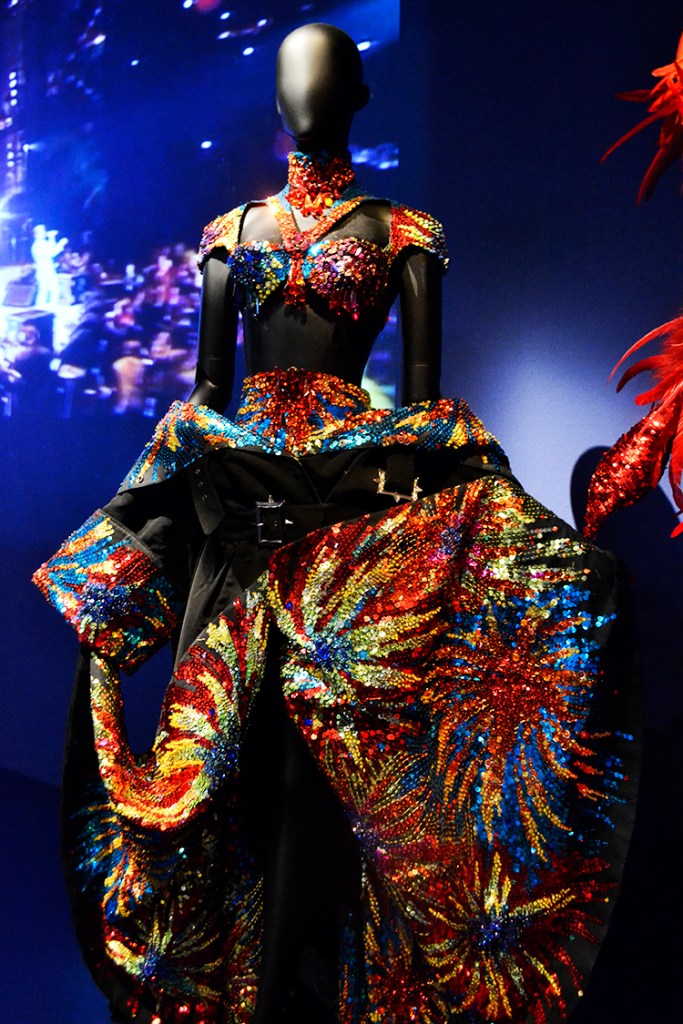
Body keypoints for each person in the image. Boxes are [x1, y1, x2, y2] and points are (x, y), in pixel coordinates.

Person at [34, 23, 639, 1024]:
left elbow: (422, 407)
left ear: (356, 94)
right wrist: (178, 511)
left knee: (327, 772)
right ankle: (233, 980)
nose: (305, 94)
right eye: (291, 78)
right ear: (277, 99)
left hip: (347, 526)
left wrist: (428, 521)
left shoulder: (404, 232)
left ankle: (306, 979)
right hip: (241, 522)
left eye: (323, 76)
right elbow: (209, 392)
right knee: (227, 764)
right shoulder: (231, 232)